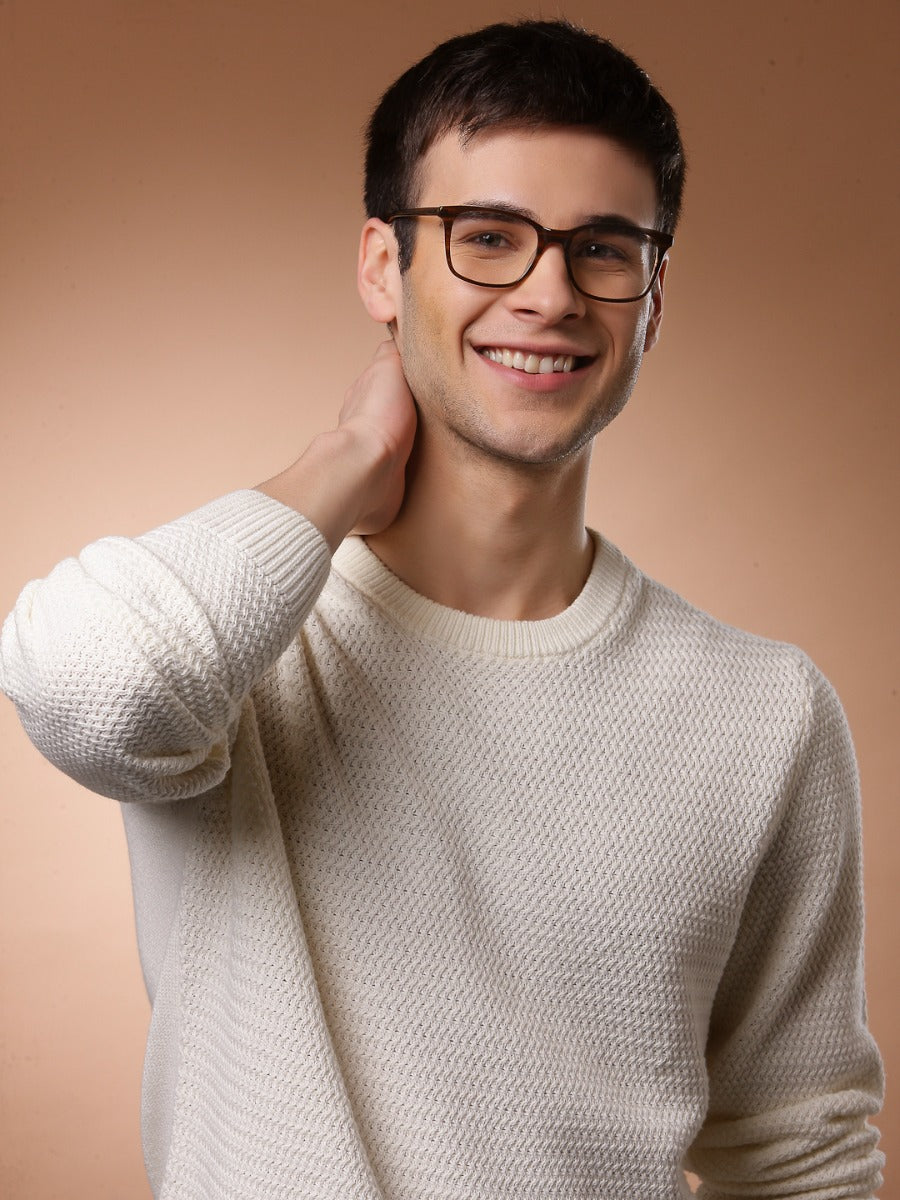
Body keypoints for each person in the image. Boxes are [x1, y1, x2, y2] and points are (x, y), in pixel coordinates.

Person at [0, 18, 884, 1200]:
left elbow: (798, 1151)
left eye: (604, 249)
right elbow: (83, 689)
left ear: (654, 296)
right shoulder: (230, 648)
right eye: (489, 240)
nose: (550, 294)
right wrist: (348, 459)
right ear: (383, 266)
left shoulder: (765, 713)